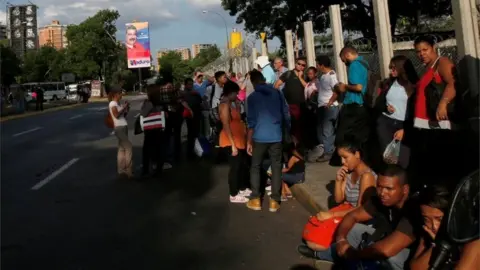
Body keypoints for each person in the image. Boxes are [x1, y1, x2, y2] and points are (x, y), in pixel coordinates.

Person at [302, 165, 417, 270]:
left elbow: (386, 249)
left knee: (388, 257)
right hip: (387, 241)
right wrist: (341, 240)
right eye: (379, 187)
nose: (382, 193)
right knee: (354, 229)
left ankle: (352, 264)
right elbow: (352, 216)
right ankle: (325, 255)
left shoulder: (413, 210)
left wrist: (353, 253)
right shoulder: (381, 200)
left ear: (405, 190)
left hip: (405, 258)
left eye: (389, 188)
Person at [409, 35, 468, 191]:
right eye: (418, 52)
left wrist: (443, 103)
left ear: (433, 48)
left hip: (443, 123)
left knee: (447, 163)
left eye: (425, 50)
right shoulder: (427, 68)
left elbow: (453, 83)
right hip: (431, 124)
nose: (422, 54)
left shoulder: (442, 62)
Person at [301, 141, 376, 252]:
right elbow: (339, 199)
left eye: (345, 157)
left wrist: (331, 215)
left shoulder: (367, 176)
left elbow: (360, 210)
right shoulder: (350, 171)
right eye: (341, 157)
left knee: (316, 243)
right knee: (313, 231)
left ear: (357, 154)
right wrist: (338, 181)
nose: (342, 161)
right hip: (346, 211)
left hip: (358, 217)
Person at [246, 70, 290, 212]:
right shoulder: (277, 93)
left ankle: (256, 199)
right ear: (264, 79)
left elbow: (251, 122)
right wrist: (288, 131)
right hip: (276, 135)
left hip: (259, 136)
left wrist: (248, 141)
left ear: (253, 82)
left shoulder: (252, 98)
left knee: (255, 166)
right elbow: (285, 114)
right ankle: (274, 201)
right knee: (276, 166)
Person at [376, 55, 419, 169]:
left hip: (404, 125)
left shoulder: (414, 86)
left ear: (402, 69)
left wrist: (406, 129)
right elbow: (378, 102)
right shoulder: (388, 83)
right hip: (386, 123)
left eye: (394, 68)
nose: (391, 70)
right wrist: (386, 108)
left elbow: (416, 111)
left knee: (404, 160)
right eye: (391, 67)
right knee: (388, 157)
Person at [334, 46, 370, 163]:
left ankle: (345, 159)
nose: (344, 62)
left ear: (347, 55)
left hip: (353, 105)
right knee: (357, 135)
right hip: (361, 105)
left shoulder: (354, 65)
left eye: (343, 59)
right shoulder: (364, 64)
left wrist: (344, 86)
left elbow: (358, 87)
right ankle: (357, 158)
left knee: (342, 136)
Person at [219, 81, 250, 203]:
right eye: (236, 93)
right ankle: (233, 193)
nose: (237, 95)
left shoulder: (231, 104)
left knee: (241, 165)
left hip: (238, 139)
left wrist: (237, 106)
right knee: (235, 167)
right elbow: (226, 125)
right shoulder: (224, 106)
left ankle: (241, 187)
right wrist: (232, 145)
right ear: (230, 92)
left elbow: (238, 119)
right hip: (230, 140)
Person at [410, 185, 451, 270]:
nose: (434, 226)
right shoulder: (426, 233)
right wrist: (437, 244)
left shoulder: (465, 236)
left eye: (439, 219)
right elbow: (415, 267)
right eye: (426, 219)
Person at [274, 57, 308, 141]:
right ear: (295, 64)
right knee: (292, 126)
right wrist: (280, 98)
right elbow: (276, 85)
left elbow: (308, 87)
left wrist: (300, 77)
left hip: (302, 105)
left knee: (301, 127)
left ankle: (300, 145)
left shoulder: (305, 75)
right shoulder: (288, 74)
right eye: (299, 64)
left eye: (303, 65)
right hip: (290, 105)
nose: (300, 66)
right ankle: (292, 145)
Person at [315, 56, 340, 162]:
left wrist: (329, 102)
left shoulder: (331, 76)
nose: (317, 66)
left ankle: (328, 153)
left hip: (329, 108)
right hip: (323, 107)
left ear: (322, 65)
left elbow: (337, 90)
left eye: (318, 64)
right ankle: (329, 150)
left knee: (327, 131)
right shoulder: (324, 76)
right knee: (324, 131)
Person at [140, 84, 168, 177]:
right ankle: (158, 170)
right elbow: (166, 115)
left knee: (147, 150)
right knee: (160, 149)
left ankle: (146, 171)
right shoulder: (161, 102)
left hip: (150, 129)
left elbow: (143, 114)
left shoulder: (148, 103)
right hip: (160, 128)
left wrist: (144, 104)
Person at [108, 87, 133, 179]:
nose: (121, 95)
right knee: (128, 147)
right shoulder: (112, 103)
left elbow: (123, 115)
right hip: (119, 128)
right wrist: (124, 107)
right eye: (120, 94)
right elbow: (116, 115)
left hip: (123, 126)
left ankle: (121, 169)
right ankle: (129, 170)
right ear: (116, 94)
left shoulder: (117, 104)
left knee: (122, 149)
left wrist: (126, 109)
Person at [183, 78, 202, 160]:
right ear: (186, 85)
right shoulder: (184, 94)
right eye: (189, 84)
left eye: (192, 84)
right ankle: (190, 153)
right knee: (191, 134)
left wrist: (197, 94)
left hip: (197, 115)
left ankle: (194, 151)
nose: (190, 86)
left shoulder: (195, 93)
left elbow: (200, 101)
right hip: (190, 116)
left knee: (195, 134)